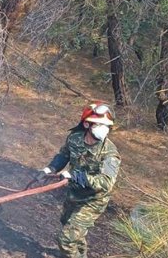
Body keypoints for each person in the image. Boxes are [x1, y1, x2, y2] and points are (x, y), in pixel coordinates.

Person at [35, 101, 121, 258]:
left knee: (67, 239)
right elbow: (64, 155)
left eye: (107, 126)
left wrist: (76, 176)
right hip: (74, 194)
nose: (105, 129)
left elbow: (106, 183)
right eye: (100, 124)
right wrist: (49, 170)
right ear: (87, 124)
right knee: (73, 232)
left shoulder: (110, 154)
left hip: (92, 201)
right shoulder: (74, 138)